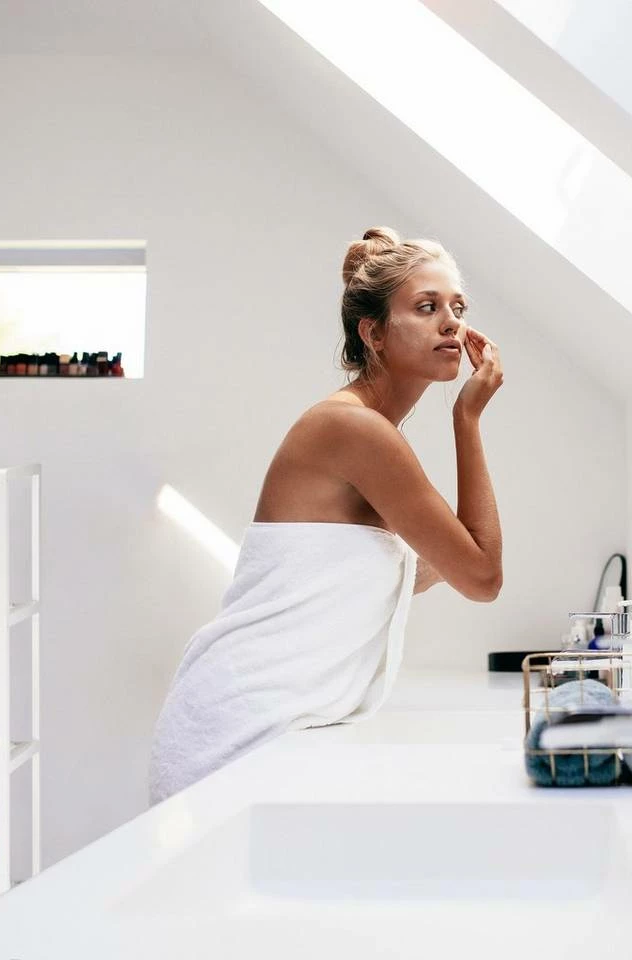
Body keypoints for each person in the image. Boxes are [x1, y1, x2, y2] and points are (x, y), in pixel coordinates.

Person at [147, 226, 503, 806]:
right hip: (237, 729)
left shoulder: (369, 431)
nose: (451, 324)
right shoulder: (354, 428)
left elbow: (424, 567)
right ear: (373, 333)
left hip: (277, 728)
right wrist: (468, 419)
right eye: (426, 307)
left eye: (458, 308)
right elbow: (483, 576)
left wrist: (452, 548)